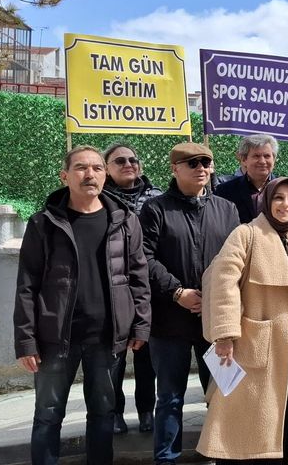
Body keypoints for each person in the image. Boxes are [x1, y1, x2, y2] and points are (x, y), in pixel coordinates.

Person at [14, 145, 150, 465]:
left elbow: (138, 275)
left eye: (97, 168)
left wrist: (141, 323)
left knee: (103, 413)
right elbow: (26, 285)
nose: (90, 174)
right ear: (65, 176)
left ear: (105, 175)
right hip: (54, 340)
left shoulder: (124, 220)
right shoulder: (43, 224)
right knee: (48, 415)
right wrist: (25, 340)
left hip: (107, 338)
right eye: (81, 168)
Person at [197, 178, 288, 463]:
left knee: (280, 424)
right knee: (241, 425)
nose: (286, 204)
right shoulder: (246, 234)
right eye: (278, 198)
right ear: (266, 201)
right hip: (250, 344)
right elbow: (223, 282)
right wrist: (225, 334)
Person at [139, 143, 240, 465]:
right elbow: (144, 258)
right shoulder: (155, 209)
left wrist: (215, 297)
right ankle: (166, 459)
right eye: (192, 163)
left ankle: (218, 453)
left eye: (206, 162)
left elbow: (236, 260)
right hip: (169, 321)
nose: (201, 168)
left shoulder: (227, 209)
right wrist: (177, 292)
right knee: (169, 397)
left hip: (215, 320)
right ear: (175, 169)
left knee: (221, 394)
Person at [102, 143, 162, 434]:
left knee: (146, 357)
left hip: (148, 289)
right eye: (120, 160)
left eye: (133, 159)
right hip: (110, 291)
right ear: (107, 168)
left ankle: (146, 411)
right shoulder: (97, 200)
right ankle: (114, 412)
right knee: (113, 358)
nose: (129, 164)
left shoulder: (158, 197)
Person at [215, 134, 279, 223]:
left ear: (274, 159)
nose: (262, 161)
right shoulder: (225, 191)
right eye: (256, 156)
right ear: (244, 160)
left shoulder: (284, 189)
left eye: (267, 156)